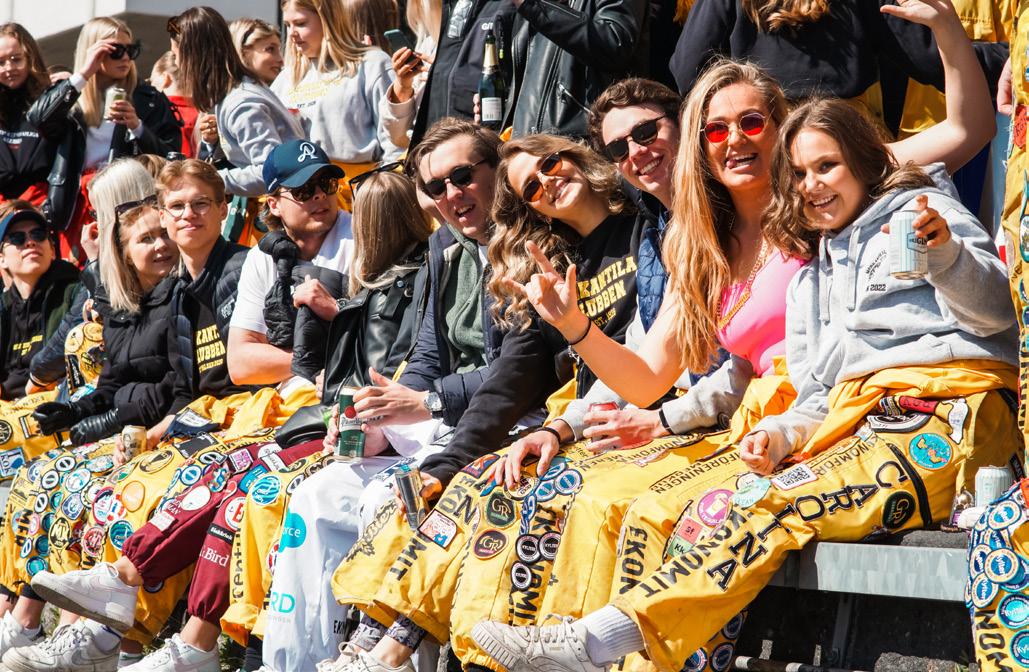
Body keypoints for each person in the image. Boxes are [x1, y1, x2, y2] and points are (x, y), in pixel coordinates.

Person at [326, 1, 1006, 665]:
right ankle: (450, 647)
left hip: (835, 418)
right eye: (717, 130)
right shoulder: (702, 242)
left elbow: (967, 132)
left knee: (633, 503)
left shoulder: (827, 189)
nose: (735, 140)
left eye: (751, 122)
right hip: (782, 420)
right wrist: (573, 328)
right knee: (526, 486)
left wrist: (947, 31)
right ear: (700, 146)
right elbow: (652, 373)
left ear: (781, 126)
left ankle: (590, 648)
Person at [471, 95, 1021, 672]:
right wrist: (780, 434)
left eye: (826, 166)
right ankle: (595, 646)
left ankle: (595, 643)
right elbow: (818, 390)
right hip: (858, 422)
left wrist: (947, 257)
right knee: (734, 501)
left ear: (862, 160)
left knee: (770, 504)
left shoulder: (922, 210)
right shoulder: (813, 273)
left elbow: (998, 318)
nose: (812, 186)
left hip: (952, 410)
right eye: (799, 174)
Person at [0, 159, 180, 666]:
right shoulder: (118, 293)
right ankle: (22, 619)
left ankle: (86, 633)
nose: (159, 245)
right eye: (145, 239)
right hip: (109, 420)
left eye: (40, 232)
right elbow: (109, 382)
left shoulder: (164, 290)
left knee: (80, 483)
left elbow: (169, 390)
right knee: (41, 475)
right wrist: (74, 411)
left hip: (156, 429)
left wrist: (90, 422)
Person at [669, 0, 1008, 127]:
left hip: (761, 144)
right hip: (844, 146)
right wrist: (1014, 59)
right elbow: (932, 60)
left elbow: (687, 71)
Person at [28, 16, 181, 265]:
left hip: (129, 201)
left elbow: (172, 157)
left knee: (125, 267)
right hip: (77, 205)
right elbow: (38, 119)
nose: (125, 58)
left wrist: (137, 127)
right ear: (93, 51)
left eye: (131, 50)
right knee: (82, 272)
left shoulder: (148, 98)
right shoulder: (71, 98)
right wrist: (83, 73)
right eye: (115, 51)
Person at [225, 139, 353, 387]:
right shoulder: (261, 258)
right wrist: (312, 360)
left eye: (327, 183)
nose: (319, 194)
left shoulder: (361, 234)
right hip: (294, 395)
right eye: (303, 190)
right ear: (274, 204)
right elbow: (240, 364)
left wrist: (335, 308)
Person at [271, 0, 402, 210]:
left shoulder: (371, 64)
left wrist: (386, 193)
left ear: (328, 20)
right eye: (287, 25)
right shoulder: (286, 78)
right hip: (304, 198)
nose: (292, 33)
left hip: (360, 194)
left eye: (301, 23)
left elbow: (395, 138)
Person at [169, 6, 304, 197]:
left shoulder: (241, 103)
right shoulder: (238, 94)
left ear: (192, 56)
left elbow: (272, 172)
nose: (176, 63)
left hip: (288, 203)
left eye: (176, 56)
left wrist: (208, 181)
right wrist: (213, 143)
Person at [0, 205, 79, 402]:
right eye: (17, 238)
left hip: (55, 404)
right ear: (2, 260)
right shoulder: (3, 308)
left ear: (52, 250)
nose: (30, 242)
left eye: (38, 234)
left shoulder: (74, 292)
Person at [0, 23, 55, 207]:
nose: (9, 68)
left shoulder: (49, 101)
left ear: (30, 58)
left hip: (40, 209)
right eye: (0, 63)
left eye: (16, 59)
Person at [377, 0, 440, 150]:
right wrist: (403, 86)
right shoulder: (427, 45)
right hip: (423, 154)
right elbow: (398, 137)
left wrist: (443, 77)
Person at [149, 51, 198, 157]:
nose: (151, 86)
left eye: (152, 80)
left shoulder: (163, 114)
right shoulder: (203, 114)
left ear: (165, 78)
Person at [229, 18, 284, 86]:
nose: (281, 60)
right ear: (244, 53)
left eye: (279, 50)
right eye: (270, 49)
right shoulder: (248, 92)